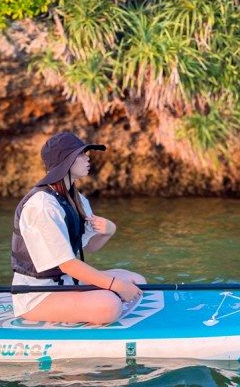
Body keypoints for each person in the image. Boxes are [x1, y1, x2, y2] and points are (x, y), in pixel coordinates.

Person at [11, 132, 146, 324]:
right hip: (36, 295)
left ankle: (92, 305)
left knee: (136, 280)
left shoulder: (76, 199)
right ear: (66, 161)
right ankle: (96, 308)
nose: (87, 157)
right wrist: (115, 286)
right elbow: (67, 264)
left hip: (66, 283)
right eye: (81, 154)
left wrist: (108, 232)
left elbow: (88, 246)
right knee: (109, 305)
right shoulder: (42, 206)